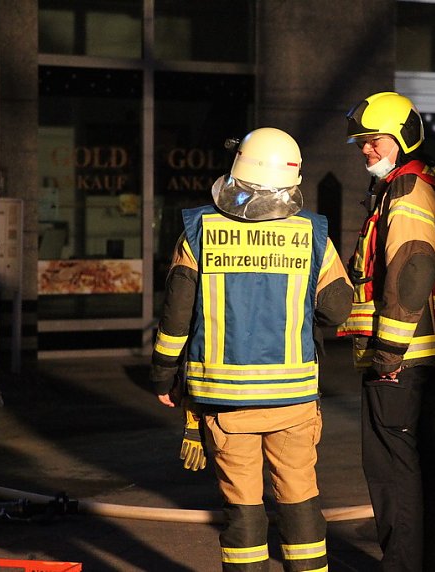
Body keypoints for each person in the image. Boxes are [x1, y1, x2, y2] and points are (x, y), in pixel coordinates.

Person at [151, 127, 353, 572]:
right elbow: (338, 309)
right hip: (295, 403)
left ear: (239, 167)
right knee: (300, 500)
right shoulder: (311, 233)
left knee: (243, 510)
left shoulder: (200, 231)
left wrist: (164, 376)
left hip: (227, 406)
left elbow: (177, 318)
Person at [337, 92, 435, 571]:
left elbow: (414, 267)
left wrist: (387, 353)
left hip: (400, 359)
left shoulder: (406, 188)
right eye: (362, 143)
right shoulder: (421, 183)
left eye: (374, 141)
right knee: (418, 468)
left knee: (393, 474)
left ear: (402, 139)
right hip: (415, 356)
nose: (365, 151)